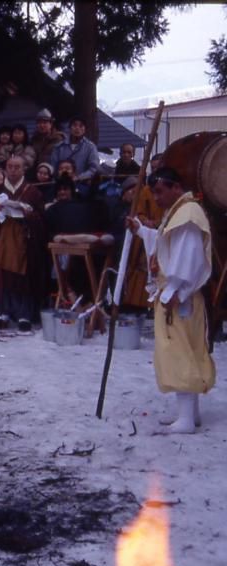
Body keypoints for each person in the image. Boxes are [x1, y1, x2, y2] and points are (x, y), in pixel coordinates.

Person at [125, 167, 215, 434]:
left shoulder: (187, 214)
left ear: (176, 187)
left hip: (179, 293)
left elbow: (189, 257)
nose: (156, 197)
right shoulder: (177, 212)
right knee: (185, 347)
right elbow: (165, 243)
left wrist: (175, 289)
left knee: (179, 350)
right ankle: (190, 414)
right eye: (153, 192)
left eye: (160, 191)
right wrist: (141, 230)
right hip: (177, 291)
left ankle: (187, 419)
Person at [0, 156, 46, 331]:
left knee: (23, 278)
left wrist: (28, 214)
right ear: (6, 169)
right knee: (1, 275)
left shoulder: (32, 192)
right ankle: (2, 312)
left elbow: (42, 217)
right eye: (10, 167)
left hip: (24, 240)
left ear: (24, 170)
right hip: (1, 239)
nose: (13, 170)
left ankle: (24, 315)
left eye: (17, 167)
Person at [49, 116, 100, 183]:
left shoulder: (90, 147)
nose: (77, 128)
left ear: (85, 129)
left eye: (81, 126)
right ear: (70, 128)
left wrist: (79, 178)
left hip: (82, 184)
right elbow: (53, 168)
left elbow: (94, 168)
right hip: (61, 185)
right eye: (74, 125)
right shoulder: (59, 147)